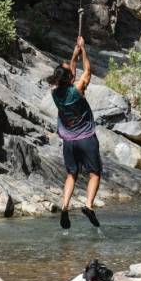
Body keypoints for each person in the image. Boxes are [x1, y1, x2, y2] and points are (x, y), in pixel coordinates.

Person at [46, 36, 102, 229]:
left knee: (72, 174)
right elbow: (87, 71)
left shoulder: (55, 92)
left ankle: (65, 206)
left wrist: (74, 54)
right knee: (95, 173)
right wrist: (84, 50)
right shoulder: (78, 89)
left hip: (69, 141)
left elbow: (72, 73)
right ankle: (88, 205)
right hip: (86, 138)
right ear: (70, 78)